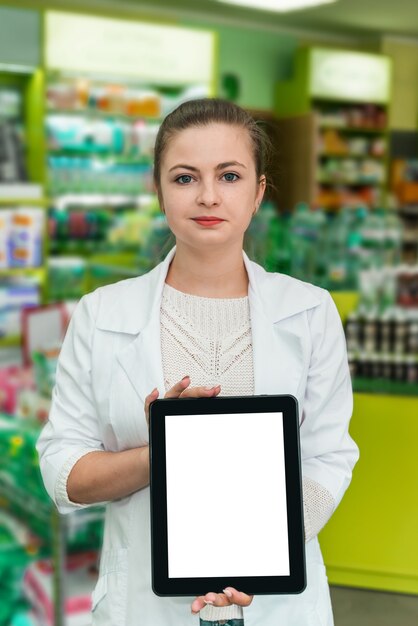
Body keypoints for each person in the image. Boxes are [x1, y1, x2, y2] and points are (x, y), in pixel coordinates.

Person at [37, 98, 359, 626]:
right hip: (144, 602)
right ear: (158, 191)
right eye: (185, 178)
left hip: (277, 605)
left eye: (229, 175)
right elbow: (63, 473)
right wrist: (163, 447)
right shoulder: (102, 314)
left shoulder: (309, 311)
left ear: (258, 193)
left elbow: (329, 458)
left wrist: (256, 554)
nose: (208, 195)